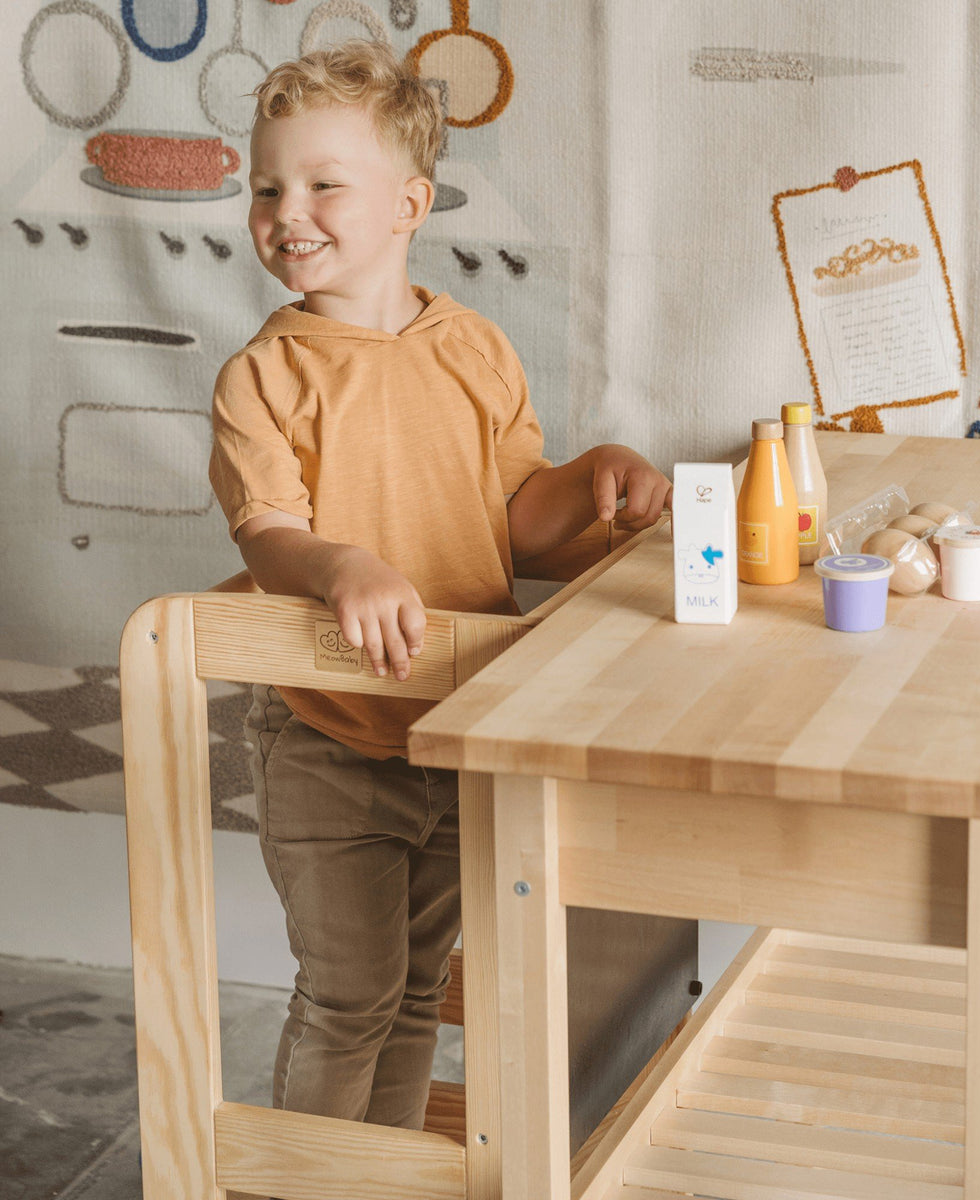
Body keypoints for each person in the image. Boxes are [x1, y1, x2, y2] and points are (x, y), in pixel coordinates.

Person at [208, 40, 671, 1132]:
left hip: (460, 726)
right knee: (346, 996)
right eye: (268, 187)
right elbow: (271, 534)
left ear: (411, 202)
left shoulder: (474, 348)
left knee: (415, 992)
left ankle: (384, 1174)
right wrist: (341, 566)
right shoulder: (262, 376)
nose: (289, 211)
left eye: (325, 184)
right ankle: (312, 1181)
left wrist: (597, 481)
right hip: (326, 735)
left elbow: (515, 524)